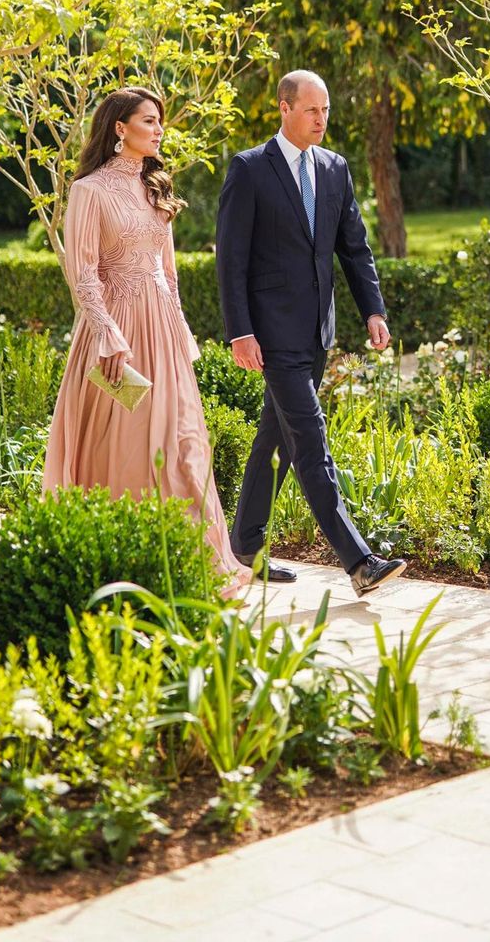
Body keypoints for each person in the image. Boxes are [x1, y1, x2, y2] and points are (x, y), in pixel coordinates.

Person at [43, 86, 249, 594]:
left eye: (160, 122)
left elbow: (169, 272)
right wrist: (108, 336)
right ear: (119, 128)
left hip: (162, 333)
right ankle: (123, 558)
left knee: (182, 444)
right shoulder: (89, 191)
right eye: (149, 120)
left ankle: (191, 561)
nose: (159, 129)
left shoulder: (157, 186)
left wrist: (180, 333)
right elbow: (83, 273)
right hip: (117, 335)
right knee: (127, 444)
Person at [216, 69, 407, 597]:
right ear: (284, 108)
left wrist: (373, 309)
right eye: (311, 110)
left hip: (317, 331)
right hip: (270, 335)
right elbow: (230, 261)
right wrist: (240, 332)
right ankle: (359, 560)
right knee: (309, 439)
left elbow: (354, 247)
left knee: (273, 437)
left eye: (326, 110)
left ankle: (246, 546)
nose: (321, 119)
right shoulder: (250, 169)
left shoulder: (335, 168)